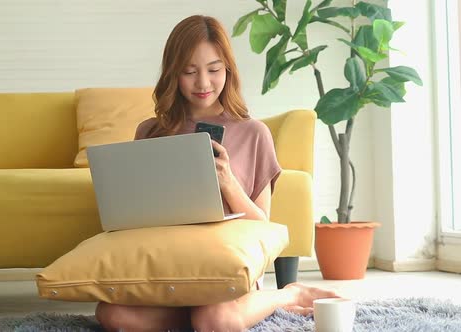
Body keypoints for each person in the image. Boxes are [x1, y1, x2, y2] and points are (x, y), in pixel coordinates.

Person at [95, 15, 339, 332]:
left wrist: (227, 182)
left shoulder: (254, 133)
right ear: (173, 73)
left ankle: (283, 295)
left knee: (215, 319)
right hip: (167, 270)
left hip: (222, 273)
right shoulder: (150, 132)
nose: (203, 83)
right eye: (189, 72)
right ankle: (202, 315)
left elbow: (262, 226)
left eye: (214, 70)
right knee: (112, 315)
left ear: (228, 70)